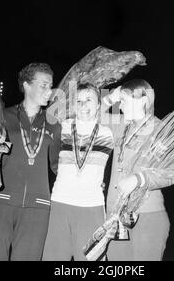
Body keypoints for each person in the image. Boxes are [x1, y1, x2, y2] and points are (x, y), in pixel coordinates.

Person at [0, 63, 61, 261]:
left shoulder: (54, 124)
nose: (49, 91)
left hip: (38, 206)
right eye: (43, 85)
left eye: (50, 86)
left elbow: (57, 165)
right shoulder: (1, 117)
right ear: (26, 85)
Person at [103, 79, 174, 261]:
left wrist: (138, 179)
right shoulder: (120, 125)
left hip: (148, 215)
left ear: (143, 101)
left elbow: (170, 173)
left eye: (125, 101)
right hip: (115, 216)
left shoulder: (161, 129)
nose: (121, 106)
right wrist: (109, 99)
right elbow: (90, 117)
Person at [42, 83, 114, 261]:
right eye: (79, 101)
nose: (83, 105)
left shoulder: (109, 133)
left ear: (99, 104)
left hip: (91, 205)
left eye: (89, 100)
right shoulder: (62, 128)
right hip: (59, 202)